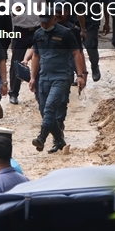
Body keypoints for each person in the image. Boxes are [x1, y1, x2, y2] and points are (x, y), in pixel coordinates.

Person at [28, 9, 86, 154]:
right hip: (44, 77)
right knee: (43, 110)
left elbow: (76, 53)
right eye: (42, 21)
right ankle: (59, 140)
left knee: (50, 107)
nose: (44, 24)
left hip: (61, 76)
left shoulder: (66, 33)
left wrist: (80, 75)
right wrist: (33, 77)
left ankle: (41, 137)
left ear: (53, 19)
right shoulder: (38, 34)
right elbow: (36, 55)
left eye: (47, 21)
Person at [72, 0, 108, 81]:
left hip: (92, 19)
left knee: (91, 46)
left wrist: (107, 22)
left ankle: (94, 66)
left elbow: (105, 3)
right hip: (75, 19)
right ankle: (78, 72)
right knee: (74, 47)